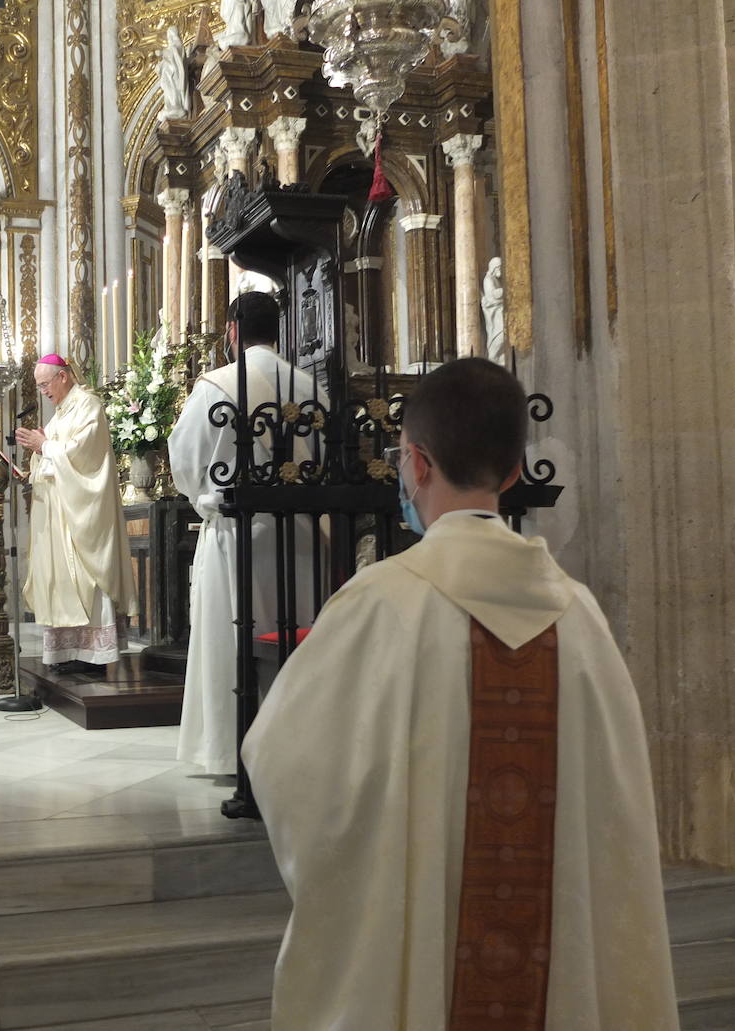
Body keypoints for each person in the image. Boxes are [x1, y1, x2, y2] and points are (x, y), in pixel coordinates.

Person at [240, 359, 678, 1030]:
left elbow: (282, 763)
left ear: (415, 462)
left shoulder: (379, 604)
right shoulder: (580, 617)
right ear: (511, 474)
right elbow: (616, 805)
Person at [169, 291, 321, 775]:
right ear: (279, 330)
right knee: (294, 640)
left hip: (234, 536)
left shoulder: (216, 386)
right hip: (300, 536)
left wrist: (204, 501)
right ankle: (294, 745)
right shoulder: (310, 386)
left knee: (230, 643)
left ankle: (229, 752)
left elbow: (187, 461)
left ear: (232, 331)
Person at [17, 354, 138, 674]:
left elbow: (85, 457)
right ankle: (68, 651)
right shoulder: (59, 415)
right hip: (58, 514)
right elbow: (53, 457)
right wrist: (35, 454)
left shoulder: (88, 405)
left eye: (45, 383)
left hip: (81, 516)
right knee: (60, 582)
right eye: (38, 385)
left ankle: (92, 654)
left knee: (84, 579)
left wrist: (44, 446)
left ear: (63, 377)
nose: (42, 390)